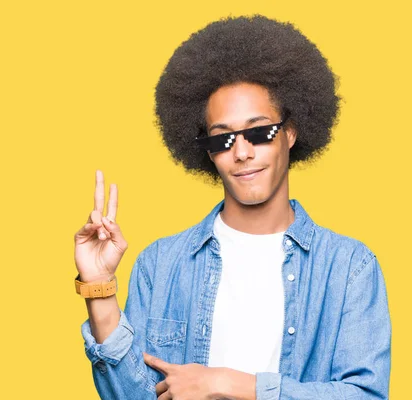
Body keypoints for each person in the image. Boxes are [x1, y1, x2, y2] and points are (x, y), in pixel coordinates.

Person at [73, 15, 391, 400]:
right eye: (223, 139)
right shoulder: (161, 264)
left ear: (289, 133)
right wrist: (99, 292)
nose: (241, 153)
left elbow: (366, 395)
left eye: (259, 133)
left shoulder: (348, 268)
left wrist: (236, 385)